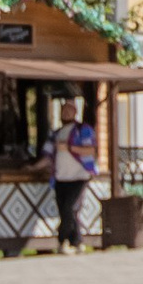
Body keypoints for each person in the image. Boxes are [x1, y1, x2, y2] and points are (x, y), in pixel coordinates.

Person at [47, 104, 96, 251]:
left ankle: (62, 241)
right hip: (61, 178)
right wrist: (33, 167)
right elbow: (48, 154)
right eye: (63, 110)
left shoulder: (83, 129)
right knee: (65, 211)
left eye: (69, 110)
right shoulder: (56, 133)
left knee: (70, 208)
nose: (65, 113)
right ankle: (77, 242)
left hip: (79, 177)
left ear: (75, 112)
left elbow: (90, 150)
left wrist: (69, 148)